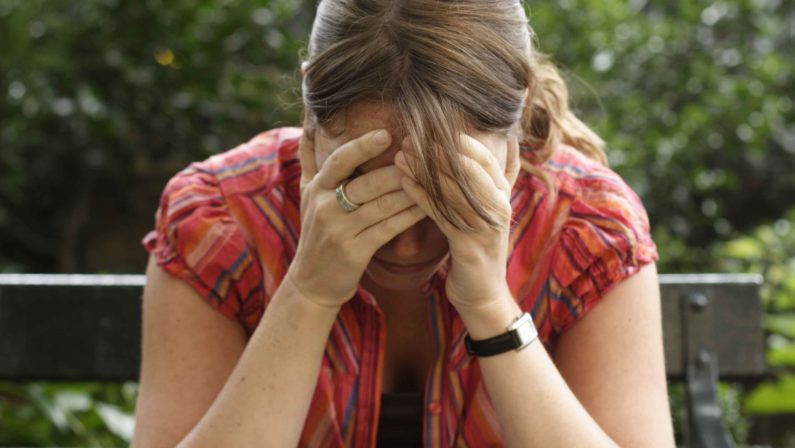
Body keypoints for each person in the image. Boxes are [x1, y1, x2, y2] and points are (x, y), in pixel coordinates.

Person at [131, 1, 675, 446]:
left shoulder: (587, 226)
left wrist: (490, 306)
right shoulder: (222, 220)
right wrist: (308, 292)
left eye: (446, 194)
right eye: (366, 188)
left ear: (512, 139)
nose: (406, 242)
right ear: (311, 121)